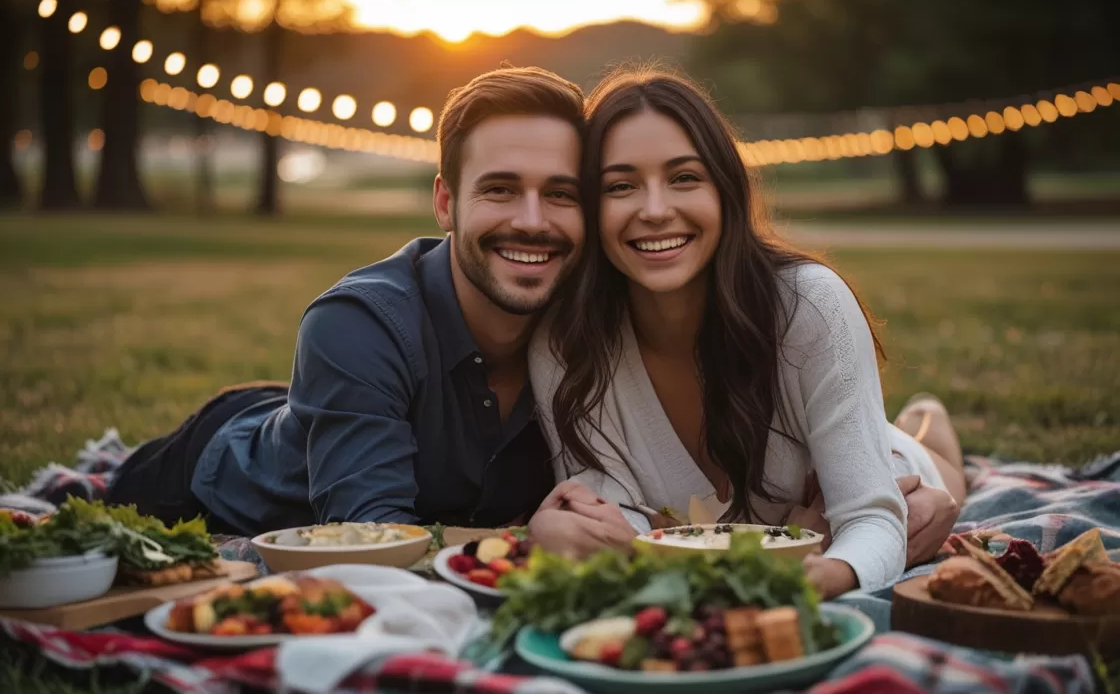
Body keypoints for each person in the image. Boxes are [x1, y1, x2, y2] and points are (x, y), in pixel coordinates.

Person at [528, 68, 965, 598]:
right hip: (804, 500)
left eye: (684, 177)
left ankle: (930, 426)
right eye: (620, 186)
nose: (655, 210)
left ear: (725, 189)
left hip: (893, 474)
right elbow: (613, 524)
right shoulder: (564, 345)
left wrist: (826, 575)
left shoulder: (810, 304)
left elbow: (872, 520)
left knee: (939, 479)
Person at [107, 67, 586, 536]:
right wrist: (527, 542)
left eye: (561, 193)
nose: (531, 221)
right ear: (445, 203)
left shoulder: (594, 328)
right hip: (211, 485)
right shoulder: (357, 324)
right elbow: (373, 538)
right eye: (500, 189)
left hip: (342, 406)